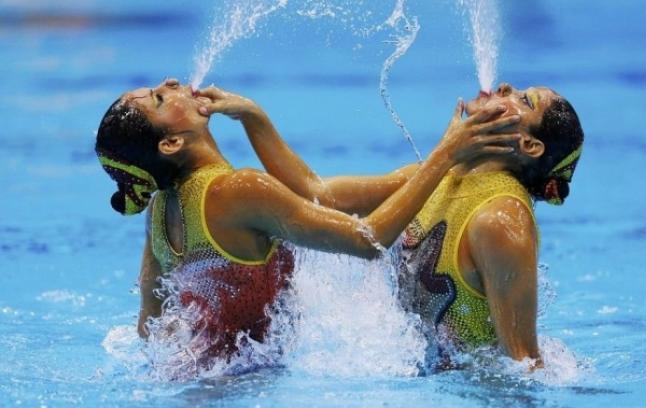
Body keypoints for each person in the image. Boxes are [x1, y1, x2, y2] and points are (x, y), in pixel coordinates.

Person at [94, 79, 520, 364]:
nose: (170, 84)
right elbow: (367, 240)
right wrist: (446, 153)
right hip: (242, 391)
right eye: (159, 99)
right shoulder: (237, 191)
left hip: (200, 382)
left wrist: (253, 118)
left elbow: (150, 324)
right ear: (170, 142)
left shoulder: (162, 206)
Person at [214, 82, 584, 368]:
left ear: (529, 145)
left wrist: (447, 151)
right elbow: (319, 194)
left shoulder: (501, 220)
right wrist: (254, 118)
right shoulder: (438, 179)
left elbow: (521, 366)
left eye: (524, 100)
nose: (504, 88)